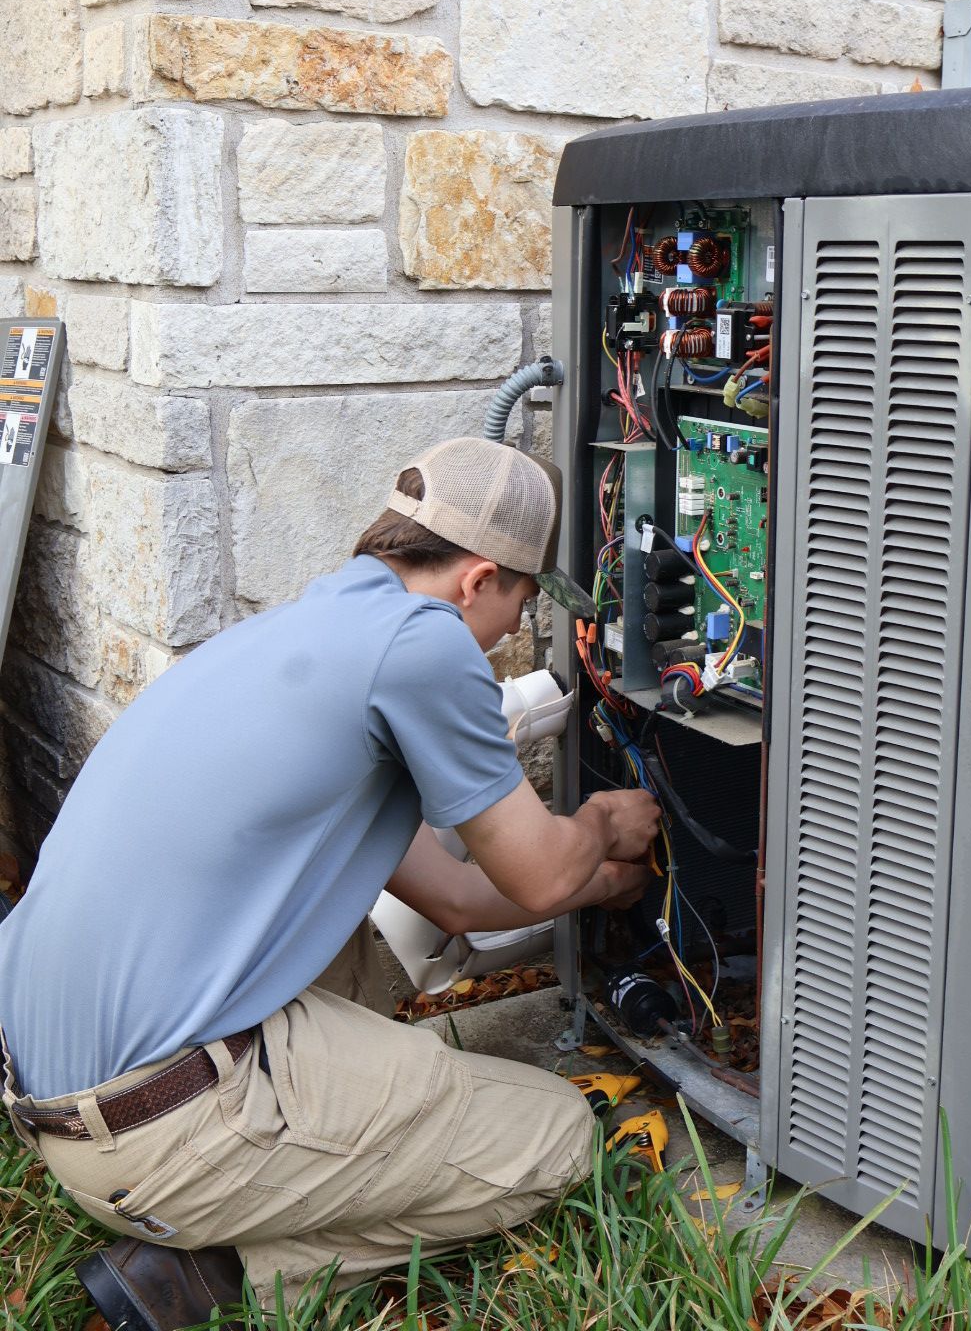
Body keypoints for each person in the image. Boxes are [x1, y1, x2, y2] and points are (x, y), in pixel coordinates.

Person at [0, 437, 660, 1331]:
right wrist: (602, 830)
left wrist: (600, 888)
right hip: (161, 1132)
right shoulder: (424, 645)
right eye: (523, 601)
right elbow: (541, 875)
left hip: (59, 1106)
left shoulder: (301, 632)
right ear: (476, 581)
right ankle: (221, 1269)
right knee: (557, 1138)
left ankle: (262, 1181)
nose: (514, 633)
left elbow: (460, 899)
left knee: (355, 943)